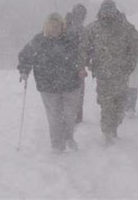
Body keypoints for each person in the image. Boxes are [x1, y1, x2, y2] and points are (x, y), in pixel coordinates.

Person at [17, 13, 87, 153]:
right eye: (51, 26)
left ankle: (68, 137)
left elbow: (81, 55)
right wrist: (24, 71)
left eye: (57, 26)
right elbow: (25, 56)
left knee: (69, 115)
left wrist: (81, 68)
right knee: (54, 117)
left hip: (71, 84)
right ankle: (57, 145)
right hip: (47, 85)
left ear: (62, 26)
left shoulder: (71, 39)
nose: (54, 29)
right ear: (46, 27)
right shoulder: (38, 41)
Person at [83, 0, 138, 145]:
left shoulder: (126, 28)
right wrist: (86, 63)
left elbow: (134, 49)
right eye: (105, 11)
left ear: (115, 11)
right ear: (100, 12)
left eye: (110, 11)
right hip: (103, 74)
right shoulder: (93, 29)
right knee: (106, 103)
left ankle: (114, 126)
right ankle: (107, 131)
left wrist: (130, 65)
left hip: (122, 73)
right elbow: (84, 48)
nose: (107, 14)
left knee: (120, 104)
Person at [65, 3, 87, 123]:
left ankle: (74, 115)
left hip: (71, 64)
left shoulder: (67, 25)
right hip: (75, 63)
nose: (82, 16)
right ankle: (76, 115)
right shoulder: (77, 28)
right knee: (77, 90)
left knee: (74, 90)